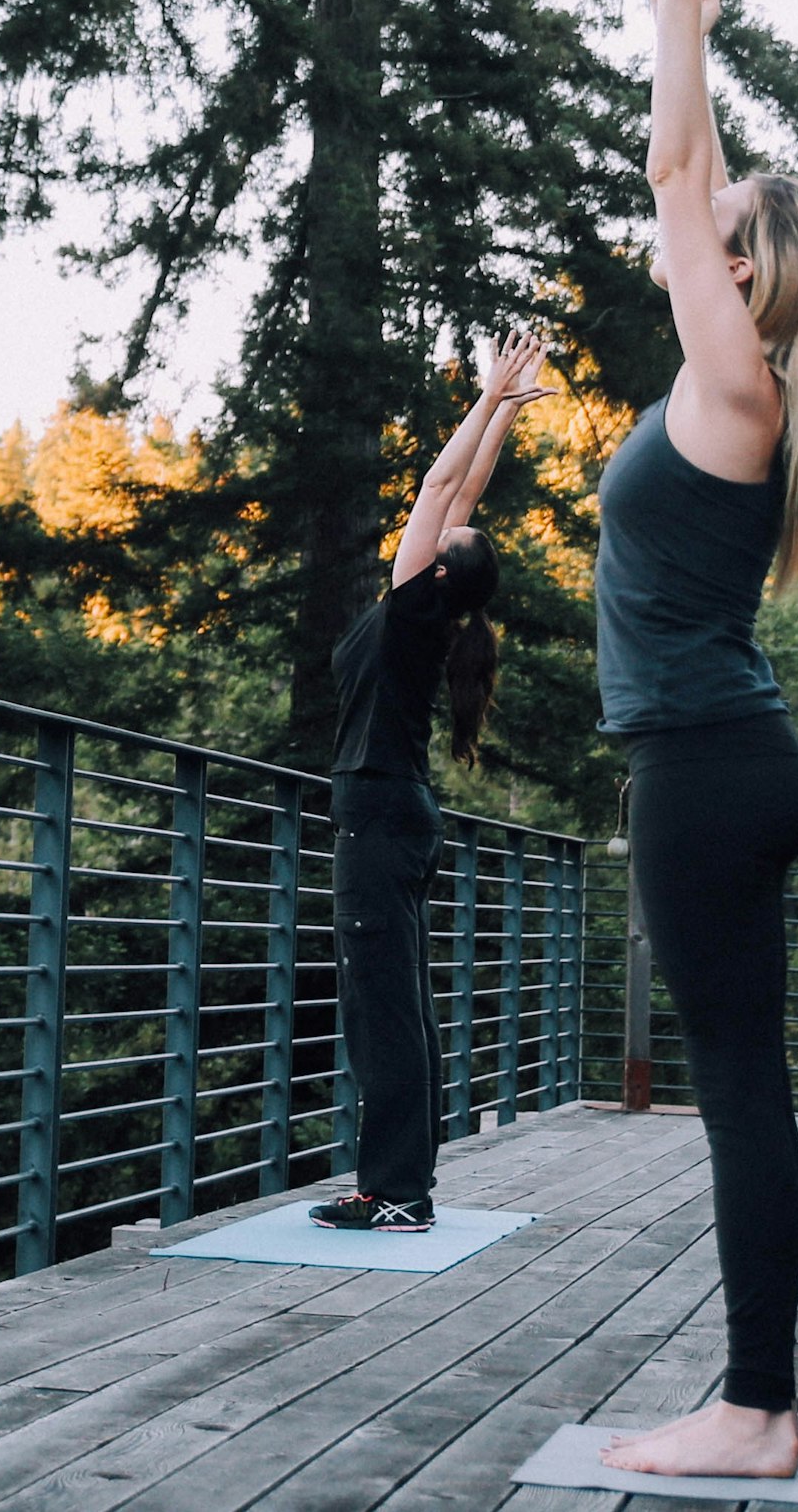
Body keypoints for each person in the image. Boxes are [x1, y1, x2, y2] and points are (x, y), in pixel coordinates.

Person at [597, 0, 798, 1482]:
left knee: (739, 1093)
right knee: (743, 1084)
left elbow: (677, 160)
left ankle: (755, 1409)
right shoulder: (747, 392)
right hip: (722, 760)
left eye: (728, 233)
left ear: (745, 275)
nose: (703, 224)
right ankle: (759, 1398)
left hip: (702, 771)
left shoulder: (732, 381)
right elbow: (682, 172)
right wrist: (688, 8)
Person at [310, 327, 553, 1233]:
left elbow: (440, 486)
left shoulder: (415, 608)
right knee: (396, 1005)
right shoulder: (431, 611)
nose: (435, 523)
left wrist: (489, 396)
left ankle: (398, 1192)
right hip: (395, 815)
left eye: (443, 535)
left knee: (385, 1013)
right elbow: (464, 489)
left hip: (379, 815)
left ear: (441, 565)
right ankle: (396, 1185)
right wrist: (502, 416)